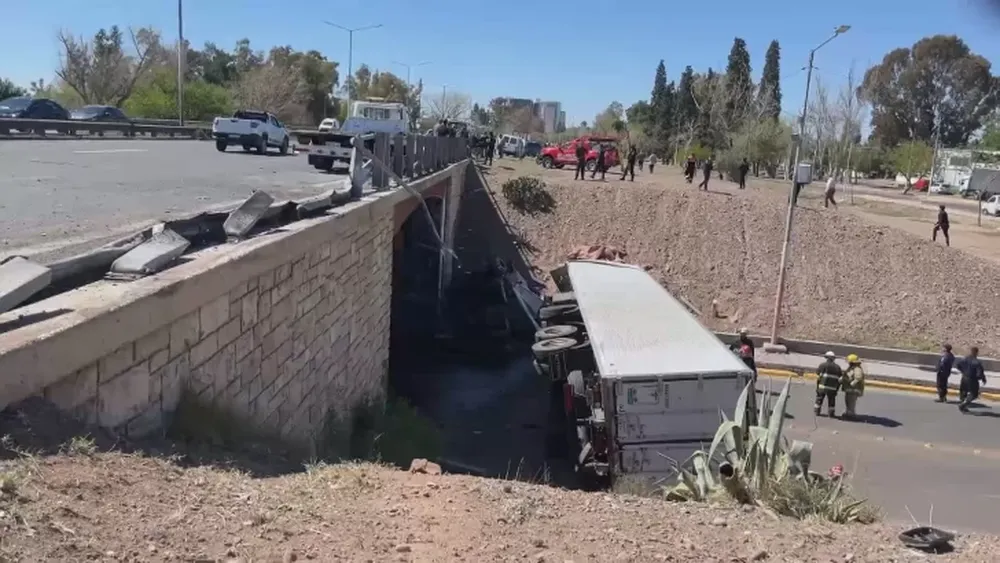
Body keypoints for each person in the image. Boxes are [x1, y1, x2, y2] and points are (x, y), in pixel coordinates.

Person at [956, 346, 987, 413]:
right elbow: (980, 373)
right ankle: (964, 404)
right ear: (977, 353)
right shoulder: (977, 362)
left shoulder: (964, 359)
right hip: (972, 380)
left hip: (964, 378)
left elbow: (958, 365)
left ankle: (963, 405)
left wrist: (963, 371)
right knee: (974, 394)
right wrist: (983, 379)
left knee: (963, 392)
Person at [814, 351, 844, 417]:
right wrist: (837, 388)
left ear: (827, 358)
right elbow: (840, 378)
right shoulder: (837, 367)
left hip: (822, 386)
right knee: (832, 400)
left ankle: (817, 411)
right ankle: (831, 413)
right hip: (832, 388)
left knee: (819, 399)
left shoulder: (822, 365)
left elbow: (818, 374)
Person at [841, 354, 866, 419]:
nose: (849, 363)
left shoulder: (857, 369)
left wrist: (853, 383)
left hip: (854, 389)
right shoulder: (851, 368)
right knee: (848, 401)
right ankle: (848, 412)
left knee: (851, 402)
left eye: (850, 362)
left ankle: (851, 414)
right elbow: (846, 375)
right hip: (849, 389)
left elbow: (858, 377)